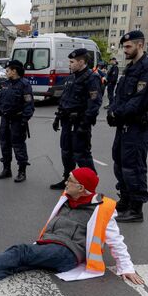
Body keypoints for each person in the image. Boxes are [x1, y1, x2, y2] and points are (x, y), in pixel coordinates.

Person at [0, 167, 144, 292]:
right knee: (20, 264)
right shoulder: (67, 198)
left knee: (21, 252)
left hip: (68, 253)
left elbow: (116, 241)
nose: (66, 182)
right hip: (51, 245)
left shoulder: (103, 209)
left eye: (71, 180)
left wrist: (126, 267)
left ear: (82, 188)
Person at [107, 31, 148, 223]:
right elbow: (119, 95)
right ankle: (125, 200)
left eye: (128, 46)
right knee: (119, 163)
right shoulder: (131, 68)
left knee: (134, 167)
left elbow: (141, 100)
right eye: (124, 47)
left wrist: (118, 113)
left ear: (140, 45)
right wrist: (112, 111)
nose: (125, 50)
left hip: (137, 127)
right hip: (123, 125)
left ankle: (136, 209)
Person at [50, 48, 102, 191]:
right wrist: (57, 117)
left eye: (72, 62)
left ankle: (91, 185)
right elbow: (65, 99)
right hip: (67, 121)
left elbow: (94, 103)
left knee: (82, 155)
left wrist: (85, 124)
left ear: (81, 62)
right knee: (66, 152)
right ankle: (68, 180)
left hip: (80, 122)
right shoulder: (72, 77)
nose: (69, 64)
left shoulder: (92, 78)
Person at [0, 60, 34, 182]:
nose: (6, 72)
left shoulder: (24, 84)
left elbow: (29, 104)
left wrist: (24, 120)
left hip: (17, 119)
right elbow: (0, 101)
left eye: (8, 70)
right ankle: (6, 169)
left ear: (14, 71)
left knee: (18, 145)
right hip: (5, 119)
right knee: (4, 144)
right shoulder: (5, 84)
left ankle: (22, 171)